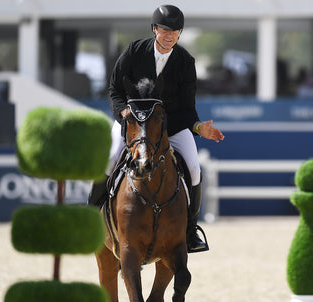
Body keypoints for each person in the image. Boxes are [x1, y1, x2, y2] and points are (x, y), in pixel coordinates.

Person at [88, 4, 224, 253]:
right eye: (164, 29)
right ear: (154, 29)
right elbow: (114, 90)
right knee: (109, 159)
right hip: (133, 123)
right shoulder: (133, 51)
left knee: (194, 169)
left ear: (180, 33)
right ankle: (90, 218)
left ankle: (191, 230)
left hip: (170, 126)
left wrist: (197, 126)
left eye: (175, 30)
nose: (170, 34)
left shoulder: (185, 62)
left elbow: (187, 106)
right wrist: (123, 113)